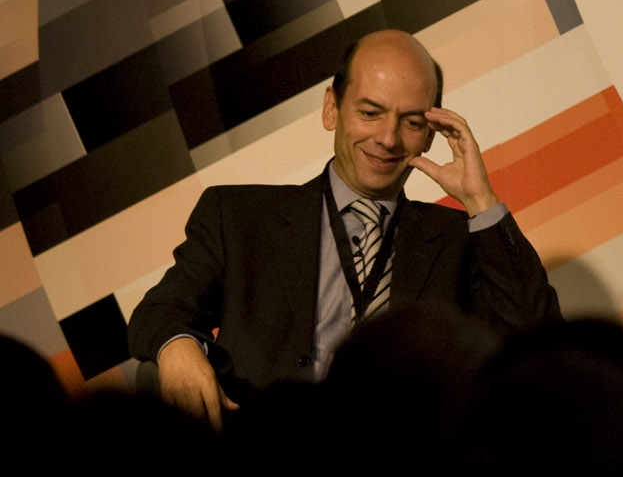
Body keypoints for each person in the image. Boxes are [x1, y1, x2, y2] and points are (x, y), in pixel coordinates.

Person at [128, 29, 562, 427]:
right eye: (371, 113)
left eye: (411, 122)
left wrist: (479, 201)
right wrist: (177, 346)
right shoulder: (239, 215)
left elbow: (537, 343)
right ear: (331, 108)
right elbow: (161, 310)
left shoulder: (459, 239)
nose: (388, 138)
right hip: (262, 457)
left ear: (431, 134)